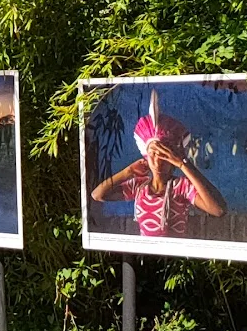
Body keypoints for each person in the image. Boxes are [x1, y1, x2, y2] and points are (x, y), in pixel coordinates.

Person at [90, 98, 225, 239]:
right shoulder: (139, 186)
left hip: (173, 256)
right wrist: (127, 172)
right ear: (146, 156)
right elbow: (97, 195)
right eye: (153, 153)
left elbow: (217, 210)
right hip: (146, 255)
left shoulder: (181, 187)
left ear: (172, 158)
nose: (157, 159)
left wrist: (183, 164)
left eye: (164, 154)